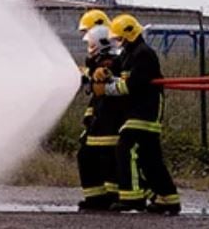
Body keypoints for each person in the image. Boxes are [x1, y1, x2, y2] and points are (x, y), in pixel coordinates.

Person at [97, 14, 180, 215]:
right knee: (150, 159)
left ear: (129, 35)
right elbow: (115, 69)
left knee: (126, 147)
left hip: (146, 111)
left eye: (119, 38)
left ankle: (132, 199)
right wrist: (102, 72)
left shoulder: (144, 55)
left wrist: (106, 89)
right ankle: (168, 199)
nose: (117, 42)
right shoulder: (128, 54)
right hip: (135, 111)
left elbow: (132, 85)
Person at [76, 24, 124, 211]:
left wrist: (98, 76)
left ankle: (112, 196)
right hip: (99, 119)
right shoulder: (98, 62)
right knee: (86, 155)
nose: (89, 48)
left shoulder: (112, 62)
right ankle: (95, 197)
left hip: (110, 120)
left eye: (91, 44)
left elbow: (111, 81)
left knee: (107, 158)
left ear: (101, 44)